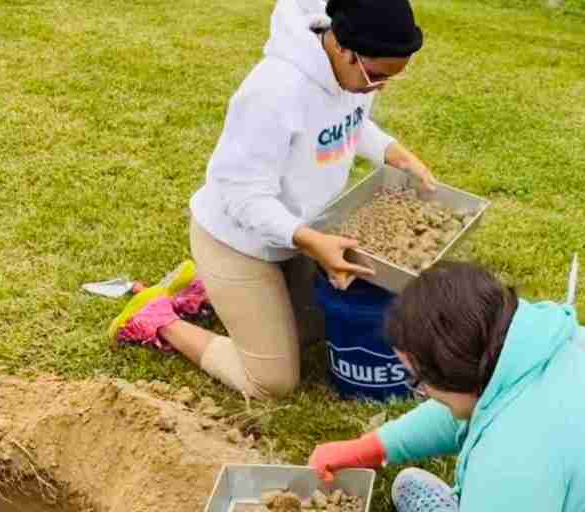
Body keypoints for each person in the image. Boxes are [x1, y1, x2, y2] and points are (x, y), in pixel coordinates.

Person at [107, 0, 435, 400]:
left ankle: (205, 290)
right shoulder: (273, 91)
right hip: (238, 241)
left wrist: (391, 150)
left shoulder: (353, 75)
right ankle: (155, 316)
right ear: (345, 49)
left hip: (294, 237)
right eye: (377, 76)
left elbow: (350, 120)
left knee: (316, 332)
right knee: (272, 379)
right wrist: (311, 241)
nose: (379, 87)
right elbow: (242, 195)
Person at [308, 262, 585, 511]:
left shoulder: (514, 452)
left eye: (421, 381)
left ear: (460, 375)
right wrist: (372, 447)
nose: (420, 390)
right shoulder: (556, 345)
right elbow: (463, 406)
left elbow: (508, 445)